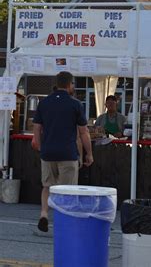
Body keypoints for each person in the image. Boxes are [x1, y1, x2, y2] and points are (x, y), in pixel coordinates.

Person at [32, 71, 94, 233]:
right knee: (67, 190)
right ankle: (63, 222)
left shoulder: (44, 103)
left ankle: (44, 214)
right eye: (73, 84)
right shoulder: (75, 104)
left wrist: (39, 144)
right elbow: (83, 132)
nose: (73, 86)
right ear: (68, 85)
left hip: (48, 152)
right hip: (67, 153)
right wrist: (89, 153)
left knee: (47, 186)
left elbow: (37, 127)